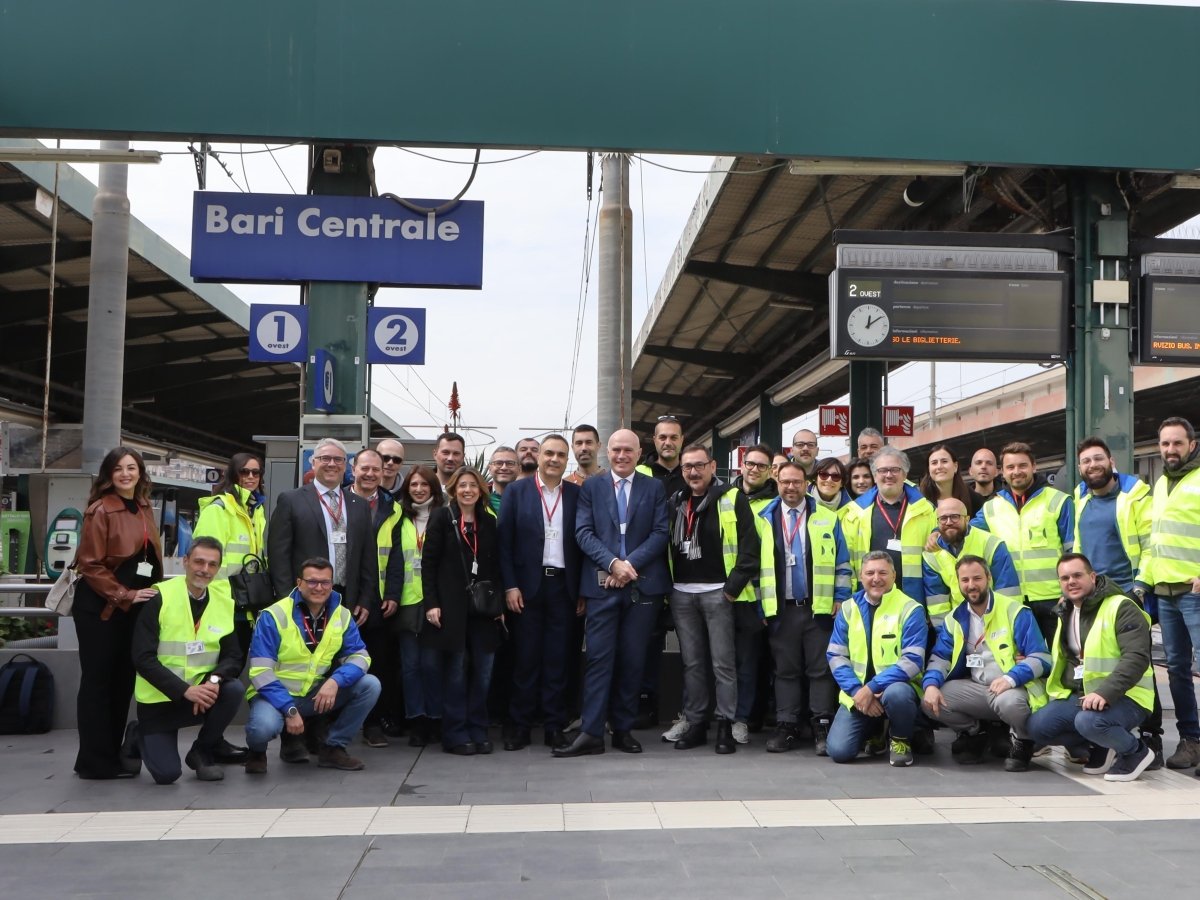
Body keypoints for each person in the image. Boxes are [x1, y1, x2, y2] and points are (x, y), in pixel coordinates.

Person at [555, 429, 670, 757]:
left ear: (638, 452)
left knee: (633, 661)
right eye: (616, 450)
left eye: (628, 450)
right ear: (607, 451)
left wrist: (628, 564)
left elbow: (661, 532)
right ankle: (591, 732)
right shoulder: (591, 487)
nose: (621, 456)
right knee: (598, 660)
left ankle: (622, 729)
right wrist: (612, 563)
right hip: (601, 585)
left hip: (641, 586)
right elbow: (583, 532)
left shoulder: (654, 488)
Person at [667, 444, 767, 753]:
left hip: (718, 593)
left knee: (724, 663)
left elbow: (752, 549)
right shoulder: (676, 501)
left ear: (713, 466)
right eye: (687, 467)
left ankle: (725, 723)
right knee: (692, 663)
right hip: (683, 593)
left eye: (699, 465)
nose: (693, 472)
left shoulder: (732, 499)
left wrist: (730, 590)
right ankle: (696, 722)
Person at [73, 446, 164, 780]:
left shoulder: (143, 506)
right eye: (118, 469)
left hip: (133, 607)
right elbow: (90, 565)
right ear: (108, 475)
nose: (126, 474)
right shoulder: (101, 510)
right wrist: (124, 594)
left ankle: (111, 754)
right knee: (98, 683)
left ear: (140, 472)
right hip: (101, 608)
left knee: (122, 681)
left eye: (132, 467)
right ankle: (94, 762)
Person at [1073, 436, 1164, 769]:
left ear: (1111, 462)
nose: (1092, 465)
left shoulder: (1134, 496)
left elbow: (1150, 544)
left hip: (1127, 593)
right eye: (1085, 461)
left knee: (1140, 664)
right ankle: (1106, 731)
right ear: (1079, 468)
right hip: (1092, 595)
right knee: (1098, 662)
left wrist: (1139, 587)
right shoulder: (1080, 498)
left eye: (1098, 459)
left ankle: (1152, 735)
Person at [1027, 554, 1156, 782]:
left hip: (1128, 696)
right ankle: (1103, 744)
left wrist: (1104, 693)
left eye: (1077, 575)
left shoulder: (1121, 606)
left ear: (1093, 577)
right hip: (1085, 696)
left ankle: (1135, 752)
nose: (1071, 582)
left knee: (1089, 722)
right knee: (1039, 727)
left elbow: (1136, 657)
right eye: (1065, 578)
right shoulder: (1065, 610)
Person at [244, 557, 378, 773]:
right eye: (312, 582)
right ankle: (257, 752)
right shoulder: (274, 615)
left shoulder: (342, 615)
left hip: (312, 695)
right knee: (262, 728)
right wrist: (289, 709)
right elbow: (261, 672)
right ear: (299, 583)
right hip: (273, 696)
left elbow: (361, 657)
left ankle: (333, 748)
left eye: (325, 582)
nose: (319, 588)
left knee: (370, 685)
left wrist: (336, 681)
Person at [129, 538, 245, 784]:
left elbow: (233, 655)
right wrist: (185, 691)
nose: (204, 569)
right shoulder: (160, 597)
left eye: (212, 565)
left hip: (201, 693)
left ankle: (203, 750)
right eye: (199, 562)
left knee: (232, 689)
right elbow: (142, 658)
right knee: (167, 775)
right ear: (185, 562)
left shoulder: (223, 602)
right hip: (161, 699)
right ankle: (137, 733)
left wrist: (214, 680)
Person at [922, 555, 1049, 771]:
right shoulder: (954, 618)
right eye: (965, 580)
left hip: (1012, 688)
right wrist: (931, 685)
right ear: (958, 582)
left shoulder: (1014, 611)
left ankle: (1023, 740)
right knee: (929, 701)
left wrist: (1011, 678)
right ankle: (975, 732)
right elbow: (941, 657)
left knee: (1010, 704)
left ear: (988, 578)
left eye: (977, 578)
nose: (971, 585)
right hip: (977, 688)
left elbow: (1042, 658)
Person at [759, 461, 851, 756]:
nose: (791, 487)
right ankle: (786, 724)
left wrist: (841, 595)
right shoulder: (763, 517)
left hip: (818, 608)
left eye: (797, 482)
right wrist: (760, 607)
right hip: (780, 608)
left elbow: (843, 562)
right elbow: (751, 565)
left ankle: (821, 724)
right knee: (785, 670)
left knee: (820, 669)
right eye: (785, 482)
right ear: (777, 482)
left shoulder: (826, 518)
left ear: (806, 482)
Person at [498, 435, 581, 751]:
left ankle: (554, 726)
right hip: (526, 587)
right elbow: (504, 544)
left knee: (557, 661)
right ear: (539, 456)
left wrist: (582, 590)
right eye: (549, 453)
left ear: (566, 459)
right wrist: (510, 585)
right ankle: (519, 726)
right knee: (526, 659)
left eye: (561, 454)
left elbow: (582, 544)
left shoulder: (575, 494)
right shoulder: (517, 492)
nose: (554, 459)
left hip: (563, 587)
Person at [420, 466, 504, 755]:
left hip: (483, 608)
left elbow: (495, 565)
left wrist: (499, 605)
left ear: (481, 490)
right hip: (450, 606)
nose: (468, 490)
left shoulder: (488, 521)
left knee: (484, 671)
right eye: (462, 486)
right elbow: (428, 564)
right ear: (453, 490)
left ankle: (478, 729)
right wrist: (431, 603)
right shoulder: (442, 517)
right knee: (455, 672)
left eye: (473, 485)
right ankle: (455, 733)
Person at [1134, 417, 1200, 774]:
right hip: (1165, 593)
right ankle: (1191, 742)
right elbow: (1156, 543)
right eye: (1164, 444)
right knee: (1176, 671)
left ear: (1191, 444)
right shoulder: (1160, 484)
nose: (1170, 450)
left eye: (1177, 443)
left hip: (1194, 592)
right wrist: (1143, 582)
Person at [826, 551, 928, 766]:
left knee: (897, 694)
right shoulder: (848, 608)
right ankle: (877, 730)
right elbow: (836, 656)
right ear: (861, 577)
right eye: (869, 573)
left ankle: (901, 739)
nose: (876, 578)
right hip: (858, 693)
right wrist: (856, 691)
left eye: (883, 572)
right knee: (839, 752)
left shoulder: (910, 608)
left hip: (895, 689)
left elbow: (912, 660)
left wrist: (871, 687)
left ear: (894, 575)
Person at [971, 441, 1073, 642]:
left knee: (1062, 660)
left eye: (1022, 465)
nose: (1016, 471)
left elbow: (1074, 550)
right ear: (1002, 472)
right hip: (1013, 600)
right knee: (1024, 662)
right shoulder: (991, 508)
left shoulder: (1059, 501)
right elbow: (966, 532)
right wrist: (937, 531)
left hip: (1055, 599)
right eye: (1010, 467)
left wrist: (1069, 593)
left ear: (1034, 467)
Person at [268, 438, 378, 624]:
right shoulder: (291, 501)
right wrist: (287, 599)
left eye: (338, 459)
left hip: (347, 599)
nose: (332, 464)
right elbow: (278, 555)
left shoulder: (359, 505)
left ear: (345, 465)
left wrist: (366, 599)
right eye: (325, 458)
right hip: (305, 596)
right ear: (313, 462)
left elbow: (368, 556)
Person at [383, 465, 444, 747]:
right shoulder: (399, 516)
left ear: (433, 487)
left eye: (424, 485)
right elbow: (395, 559)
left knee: (432, 664)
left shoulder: (444, 516)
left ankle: (435, 717)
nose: (419, 489)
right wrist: (392, 595)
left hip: (435, 601)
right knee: (410, 665)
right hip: (407, 600)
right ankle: (416, 719)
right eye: (413, 485)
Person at [634, 414, 686, 729]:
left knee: (691, 646)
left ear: (681, 440)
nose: (668, 442)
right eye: (662, 437)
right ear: (654, 441)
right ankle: (646, 702)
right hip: (649, 574)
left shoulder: (693, 474)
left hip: (687, 574)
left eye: (674, 437)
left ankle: (690, 709)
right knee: (646, 642)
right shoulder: (640, 474)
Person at [348, 449, 403, 747]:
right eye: (364, 468)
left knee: (379, 664)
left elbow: (396, 556)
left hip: (379, 600)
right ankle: (328, 725)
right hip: (342, 598)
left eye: (376, 470)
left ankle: (372, 724)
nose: (370, 474)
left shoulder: (392, 507)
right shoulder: (338, 501)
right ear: (353, 468)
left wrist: (393, 593)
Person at [194, 451, 267, 658]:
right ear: (234, 474)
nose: (251, 477)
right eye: (244, 472)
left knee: (236, 660)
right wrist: (215, 601)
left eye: (256, 472)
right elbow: (204, 560)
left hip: (245, 602)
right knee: (223, 663)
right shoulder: (219, 509)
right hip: (222, 603)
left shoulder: (255, 510)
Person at [843, 446, 936, 603]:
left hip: (912, 600)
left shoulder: (927, 510)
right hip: (868, 600)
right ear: (874, 475)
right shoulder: (854, 513)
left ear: (905, 474)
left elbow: (936, 560)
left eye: (895, 470)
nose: (888, 475)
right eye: (882, 470)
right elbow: (847, 562)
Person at [922, 498, 1020, 628]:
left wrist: (1006, 627)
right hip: (959, 625)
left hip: (996, 621)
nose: (949, 522)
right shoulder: (931, 555)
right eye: (943, 518)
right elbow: (937, 604)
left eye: (955, 517)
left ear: (967, 519)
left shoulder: (991, 543)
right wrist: (946, 634)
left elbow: (1008, 592)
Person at [919, 444, 980, 517]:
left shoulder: (972, 498)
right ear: (929, 469)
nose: (939, 466)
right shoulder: (919, 499)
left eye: (944, 461)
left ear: (955, 466)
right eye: (934, 463)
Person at [734, 443, 778, 513]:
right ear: (742, 466)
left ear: (770, 472)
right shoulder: (725, 497)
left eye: (761, 466)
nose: (754, 470)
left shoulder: (779, 504)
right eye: (750, 464)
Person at [486, 446, 519, 514]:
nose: (504, 467)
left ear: (519, 469)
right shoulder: (479, 497)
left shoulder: (530, 497)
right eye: (498, 463)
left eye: (510, 463)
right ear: (489, 468)